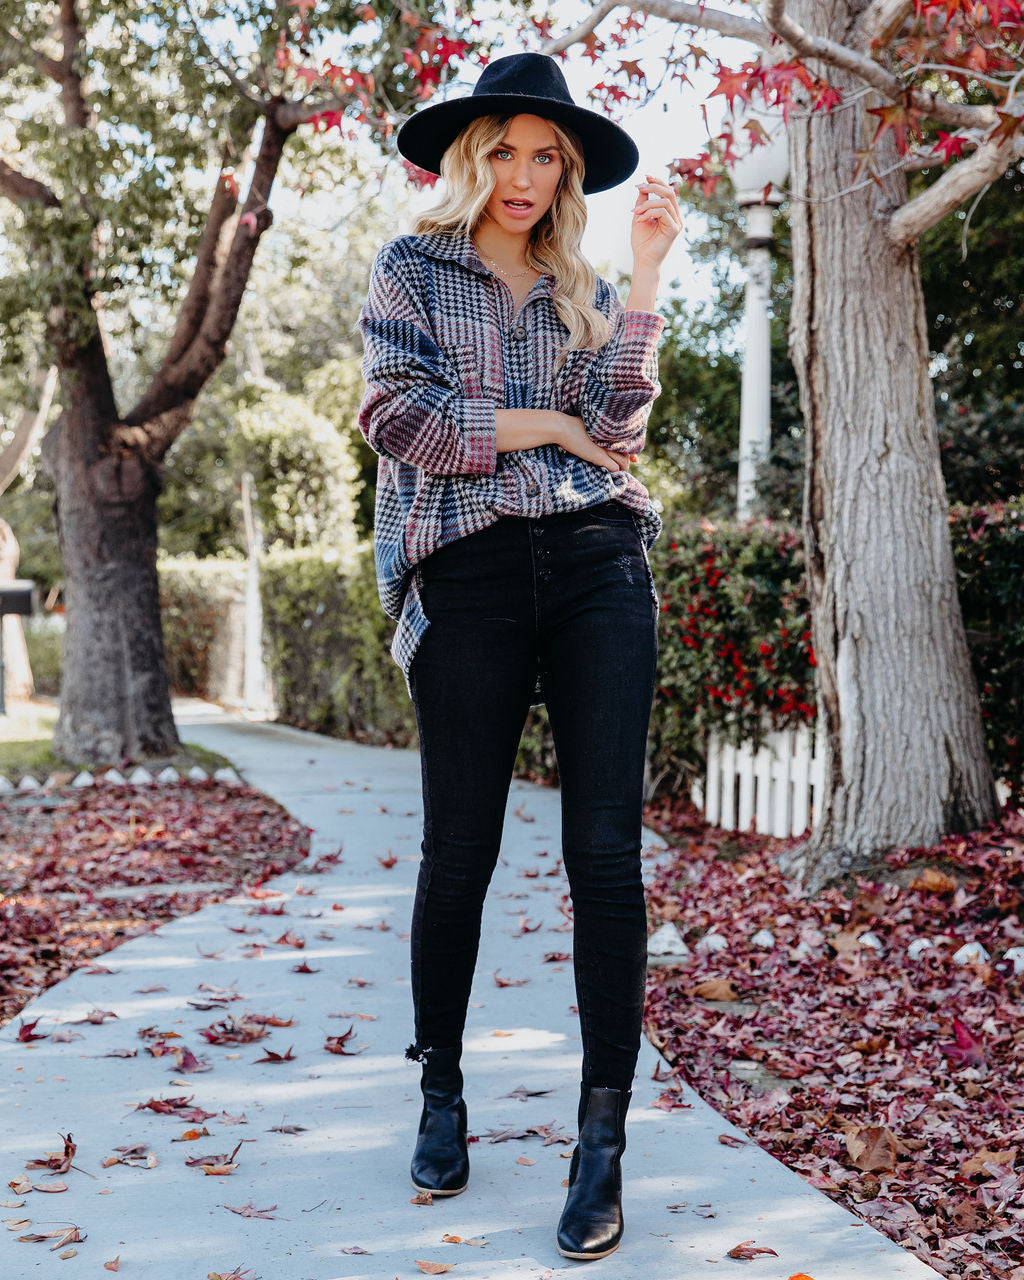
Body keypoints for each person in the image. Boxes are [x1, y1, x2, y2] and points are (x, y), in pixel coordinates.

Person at [357, 51, 681, 1262]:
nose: (526, 176)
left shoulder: (579, 282)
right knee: (462, 853)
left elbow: (620, 429)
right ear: (469, 154)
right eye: (507, 149)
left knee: (603, 852)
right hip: (472, 570)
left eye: (549, 157)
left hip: (598, 564)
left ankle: (601, 1141)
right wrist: (545, 424)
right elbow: (399, 418)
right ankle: (440, 1086)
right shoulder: (411, 267)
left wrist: (644, 278)